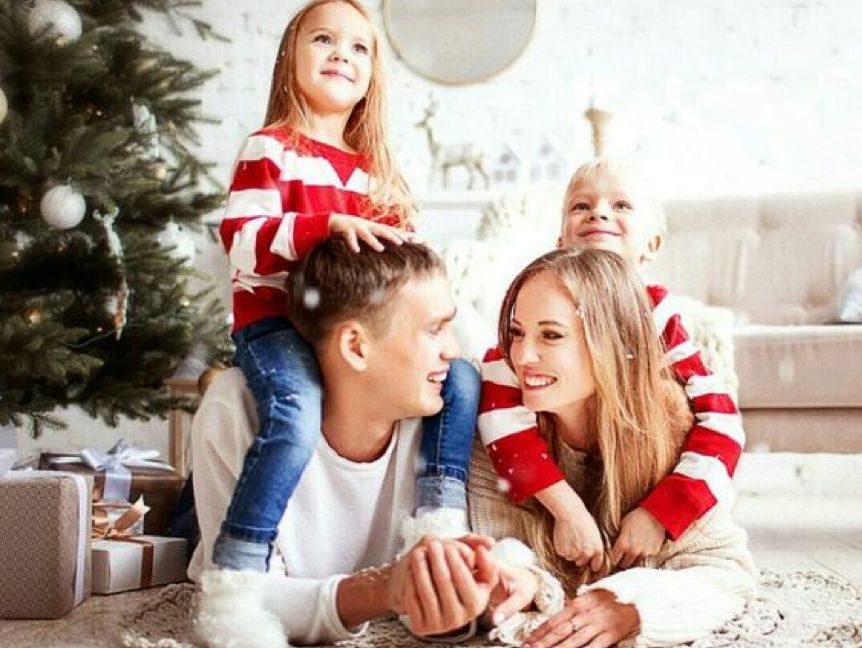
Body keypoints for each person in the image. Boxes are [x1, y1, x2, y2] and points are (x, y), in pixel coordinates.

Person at [213, 0, 478, 604]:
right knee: (296, 411)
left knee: (461, 380)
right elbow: (242, 246)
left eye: (360, 47)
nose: (342, 54)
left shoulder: (374, 172)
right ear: (290, 56)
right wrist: (324, 226)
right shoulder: (269, 149)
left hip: (355, 330)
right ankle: (239, 566)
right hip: (276, 327)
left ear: (372, 76)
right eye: (324, 40)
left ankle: (439, 526)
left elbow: (400, 270)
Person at [193, 239, 502, 648]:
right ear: (355, 346)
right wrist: (382, 589)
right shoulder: (234, 409)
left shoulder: (447, 415)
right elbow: (241, 603)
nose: (453, 350)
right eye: (434, 330)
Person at [469, 248, 756, 647]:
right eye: (517, 333)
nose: (522, 356)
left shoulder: (674, 438)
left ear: (614, 343)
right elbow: (497, 549)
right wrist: (525, 582)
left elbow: (729, 574)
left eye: (551, 335)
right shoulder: (495, 432)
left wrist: (630, 605)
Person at [479, 157, 745, 573]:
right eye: (580, 206)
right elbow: (499, 415)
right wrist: (566, 509)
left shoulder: (659, 318)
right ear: (561, 240)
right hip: (563, 479)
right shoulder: (535, 308)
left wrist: (662, 512)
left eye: (621, 205)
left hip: (637, 468)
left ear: (652, 244)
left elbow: (722, 424)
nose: (598, 213)